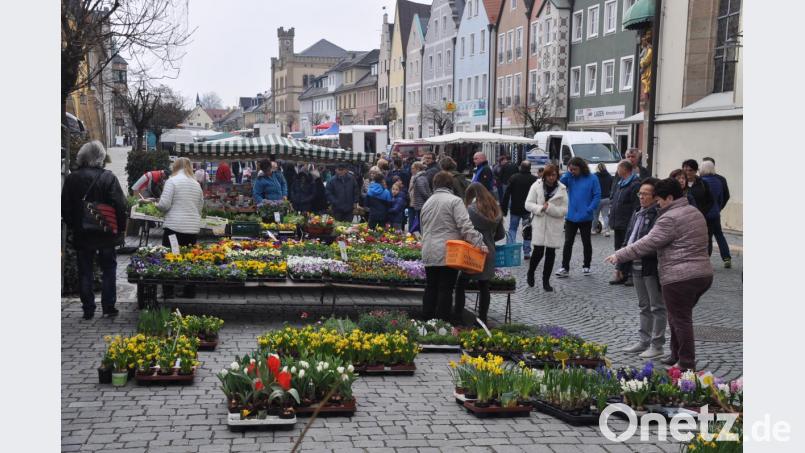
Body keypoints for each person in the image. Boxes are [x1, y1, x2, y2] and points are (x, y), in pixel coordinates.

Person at [606, 178, 713, 371]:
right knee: (675, 316)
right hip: (702, 274)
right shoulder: (693, 211)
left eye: (661, 200)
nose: (658, 204)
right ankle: (675, 355)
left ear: (670, 197)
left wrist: (619, 255)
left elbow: (648, 242)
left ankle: (686, 362)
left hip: (680, 277)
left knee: (681, 319)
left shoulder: (669, 218)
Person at [61, 141, 128, 320]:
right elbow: (120, 205)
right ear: (100, 158)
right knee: (109, 268)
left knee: (85, 270)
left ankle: (88, 310)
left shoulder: (72, 178)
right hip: (106, 231)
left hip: (82, 232)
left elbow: (65, 207)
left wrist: (74, 225)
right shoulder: (109, 177)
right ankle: (108, 307)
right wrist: (120, 229)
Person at [420, 171, 487, 322]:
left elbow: (423, 228)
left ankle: (425, 322)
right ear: (451, 185)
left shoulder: (428, 202)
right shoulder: (455, 201)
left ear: (434, 185)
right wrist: (480, 244)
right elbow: (465, 226)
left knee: (431, 287)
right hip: (449, 251)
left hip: (429, 250)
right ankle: (442, 324)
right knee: (445, 289)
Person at [620, 178, 667, 359]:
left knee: (657, 306)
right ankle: (643, 341)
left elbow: (652, 243)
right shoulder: (638, 213)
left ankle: (657, 345)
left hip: (650, 266)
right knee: (643, 305)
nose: (641, 197)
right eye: (640, 193)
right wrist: (621, 262)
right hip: (635, 264)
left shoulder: (658, 215)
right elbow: (629, 237)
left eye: (645, 194)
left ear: (655, 197)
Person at [154, 157, 204, 299]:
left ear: (175, 167)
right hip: (192, 229)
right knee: (189, 259)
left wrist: (156, 205)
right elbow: (200, 207)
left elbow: (164, 205)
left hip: (174, 228)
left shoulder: (172, 181)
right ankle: (189, 291)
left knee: (171, 258)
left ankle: (168, 291)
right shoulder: (196, 184)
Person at [454, 183, 504, 325]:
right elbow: (500, 234)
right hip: (488, 251)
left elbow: (464, 230)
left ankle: (458, 317)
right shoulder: (495, 210)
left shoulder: (470, 210)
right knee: (484, 286)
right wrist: (488, 240)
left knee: (460, 285)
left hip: (472, 251)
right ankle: (482, 318)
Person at [524, 164, 568, 291]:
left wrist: (550, 208)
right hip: (539, 223)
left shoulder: (562, 189)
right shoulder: (536, 186)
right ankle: (531, 272)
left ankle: (546, 281)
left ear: (557, 175)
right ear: (545, 175)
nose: (551, 178)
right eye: (549, 175)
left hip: (554, 225)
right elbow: (528, 204)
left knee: (550, 253)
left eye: (554, 175)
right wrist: (540, 208)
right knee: (538, 251)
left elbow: (564, 210)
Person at [556, 157, 601, 278]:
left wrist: (589, 209)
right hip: (571, 216)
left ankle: (587, 265)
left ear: (581, 168)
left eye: (575, 169)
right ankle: (565, 267)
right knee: (568, 242)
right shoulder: (570, 177)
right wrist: (567, 175)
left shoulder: (592, 178)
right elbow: (560, 185)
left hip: (586, 217)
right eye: (570, 169)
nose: (573, 171)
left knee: (586, 242)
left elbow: (597, 195)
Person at [608, 160, 641, 285]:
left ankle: (630, 275)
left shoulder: (634, 184)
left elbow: (636, 205)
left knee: (629, 247)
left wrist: (633, 221)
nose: (617, 170)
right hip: (618, 222)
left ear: (624, 169)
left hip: (628, 222)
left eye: (618, 168)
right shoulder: (620, 183)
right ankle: (620, 272)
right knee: (619, 248)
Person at [700, 161, 732, 269]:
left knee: (707, 237)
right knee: (719, 235)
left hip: (704, 214)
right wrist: (718, 209)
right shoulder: (719, 181)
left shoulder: (701, 181)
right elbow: (721, 198)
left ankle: (706, 261)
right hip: (715, 213)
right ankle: (727, 257)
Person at [502, 160, 538, 259]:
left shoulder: (514, 178)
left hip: (515, 208)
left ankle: (510, 250)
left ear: (520, 167)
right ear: (530, 168)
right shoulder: (534, 179)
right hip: (528, 209)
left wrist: (504, 209)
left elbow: (506, 194)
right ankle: (527, 252)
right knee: (527, 230)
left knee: (512, 229)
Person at [410, 162, 432, 231]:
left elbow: (422, 191)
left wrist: (428, 199)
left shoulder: (420, 178)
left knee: (420, 224)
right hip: (421, 204)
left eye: (413, 168)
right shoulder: (420, 177)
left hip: (421, 204)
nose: (411, 170)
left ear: (417, 169)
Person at [592, 163, 613, 236]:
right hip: (607, 198)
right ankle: (607, 231)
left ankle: (593, 230)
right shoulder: (609, 176)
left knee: (595, 215)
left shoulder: (594, 176)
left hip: (597, 198)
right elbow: (611, 187)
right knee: (605, 216)